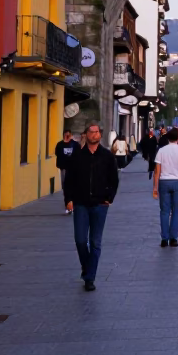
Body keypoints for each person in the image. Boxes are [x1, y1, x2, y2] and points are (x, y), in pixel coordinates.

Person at [63, 123, 119, 291]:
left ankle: (89, 278)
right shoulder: (77, 156)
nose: (94, 135)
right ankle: (87, 267)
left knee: (95, 242)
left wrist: (109, 197)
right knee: (80, 240)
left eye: (97, 132)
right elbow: (69, 180)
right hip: (80, 203)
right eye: (91, 132)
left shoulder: (107, 156)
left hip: (100, 204)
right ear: (85, 135)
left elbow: (114, 180)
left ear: (100, 135)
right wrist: (68, 199)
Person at [154, 128, 178, 246]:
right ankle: (173, 238)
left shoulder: (161, 151)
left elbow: (157, 171)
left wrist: (155, 188)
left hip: (164, 182)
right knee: (176, 211)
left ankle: (164, 239)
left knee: (164, 211)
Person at [53, 129, 78, 213]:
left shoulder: (74, 144)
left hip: (73, 168)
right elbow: (57, 153)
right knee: (65, 185)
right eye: (66, 135)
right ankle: (68, 204)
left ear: (70, 135)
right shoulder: (60, 144)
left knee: (72, 186)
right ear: (63, 135)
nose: (67, 136)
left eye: (69, 135)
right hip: (63, 167)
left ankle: (72, 204)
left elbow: (79, 153)